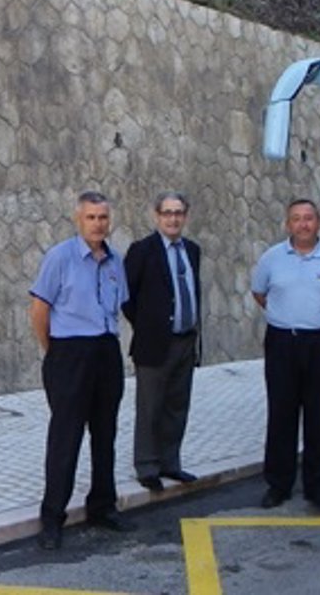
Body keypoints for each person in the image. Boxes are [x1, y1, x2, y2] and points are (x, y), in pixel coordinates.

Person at [30, 191, 136, 550]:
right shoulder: (59, 258)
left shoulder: (115, 261)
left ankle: (102, 506)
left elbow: (117, 308)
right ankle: (52, 519)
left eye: (103, 217)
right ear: (78, 220)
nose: (98, 224)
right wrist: (55, 352)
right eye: (91, 217)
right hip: (69, 354)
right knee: (65, 438)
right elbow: (39, 310)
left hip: (106, 352)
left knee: (105, 434)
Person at [250, 199, 320, 514]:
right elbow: (260, 294)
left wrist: (319, 318)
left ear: (319, 222)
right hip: (283, 342)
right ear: (288, 224)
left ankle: (317, 489)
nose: (303, 224)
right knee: (281, 415)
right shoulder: (272, 258)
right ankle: (278, 485)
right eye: (296, 219)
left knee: (318, 417)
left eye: (308, 218)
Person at [122, 191, 202, 493]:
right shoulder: (142, 250)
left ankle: (171, 462)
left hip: (185, 341)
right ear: (157, 216)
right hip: (155, 344)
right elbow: (127, 298)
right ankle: (147, 466)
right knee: (150, 407)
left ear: (185, 216)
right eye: (167, 213)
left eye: (178, 213)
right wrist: (148, 326)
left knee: (177, 405)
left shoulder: (192, 250)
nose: (173, 218)